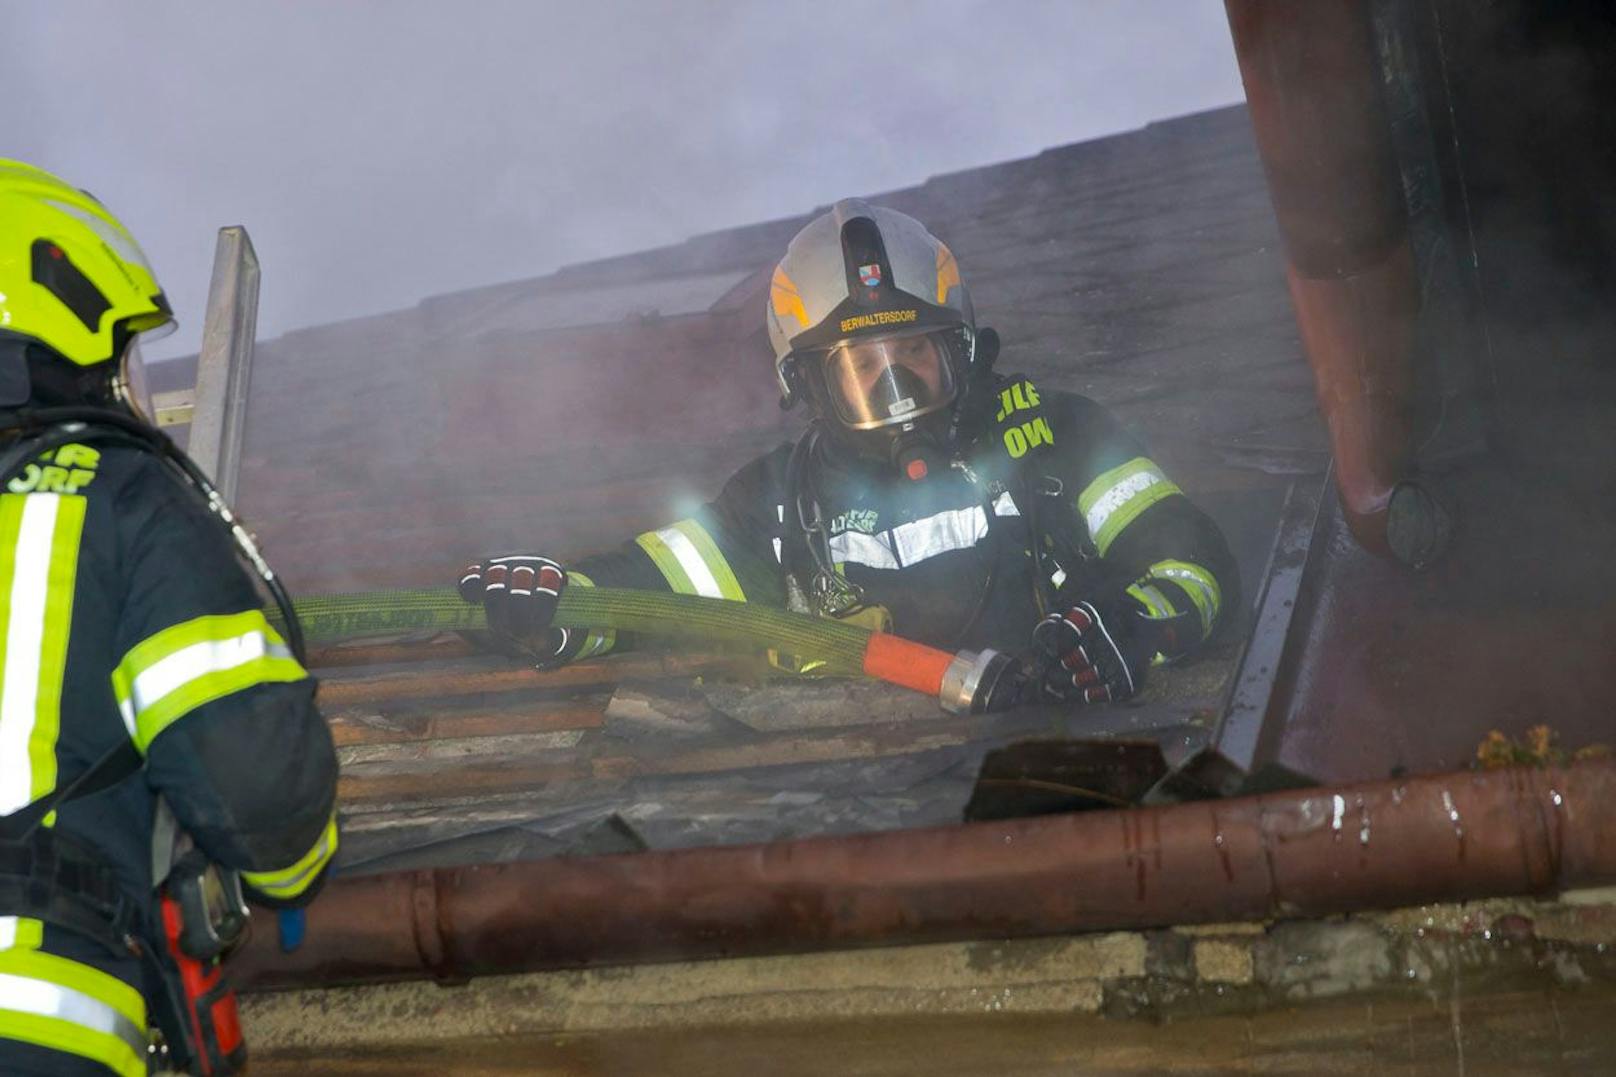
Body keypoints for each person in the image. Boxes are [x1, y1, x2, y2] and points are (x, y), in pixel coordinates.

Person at [460, 199, 1237, 705]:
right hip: (879, 803)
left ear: (960, 349)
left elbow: (1197, 567)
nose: (896, 387)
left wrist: (1136, 627)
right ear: (809, 386)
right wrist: (558, 606)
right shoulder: (776, 506)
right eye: (862, 369)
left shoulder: (1058, 437)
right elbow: (649, 590)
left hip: (1075, 777)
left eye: (914, 355)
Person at [0, 160, 339, 1076]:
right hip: (33, 1022)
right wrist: (291, 859)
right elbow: (254, 786)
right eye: (123, 354)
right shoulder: (120, 497)